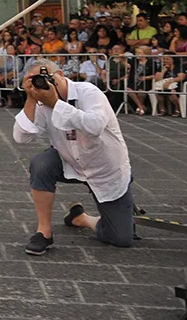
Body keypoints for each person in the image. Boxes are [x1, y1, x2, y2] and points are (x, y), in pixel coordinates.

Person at [14, 60, 134, 256]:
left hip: (105, 168)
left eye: (45, 77)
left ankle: (81, 218)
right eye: (34, 80)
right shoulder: (41, 102)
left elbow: (94, 126)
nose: (42, 83)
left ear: (61, 74)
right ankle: (44, 232)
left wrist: (56, 103)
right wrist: (30, 98)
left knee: (122, 238)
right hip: (69, 161)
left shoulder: (89, 92)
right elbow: (21, 137)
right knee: (41, 164)